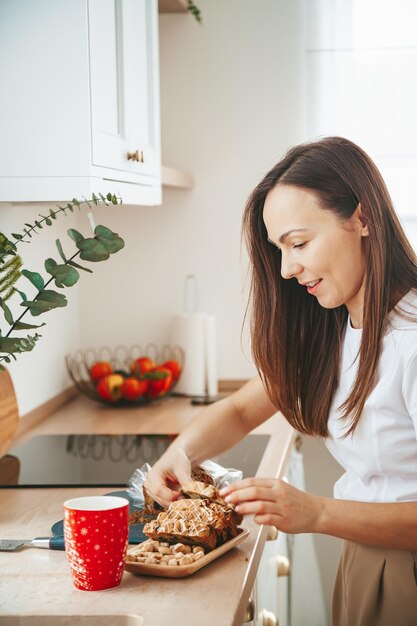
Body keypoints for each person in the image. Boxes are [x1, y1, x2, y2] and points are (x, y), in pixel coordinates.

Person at [144, 136, 417, 626]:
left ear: (362, 218)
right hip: (364, 558)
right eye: (280, 250)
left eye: (299, 243)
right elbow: (240, 410)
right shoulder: (335, 325)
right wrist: (179, 454)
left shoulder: (411, 340)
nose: (288, 269)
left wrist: (317, 514)